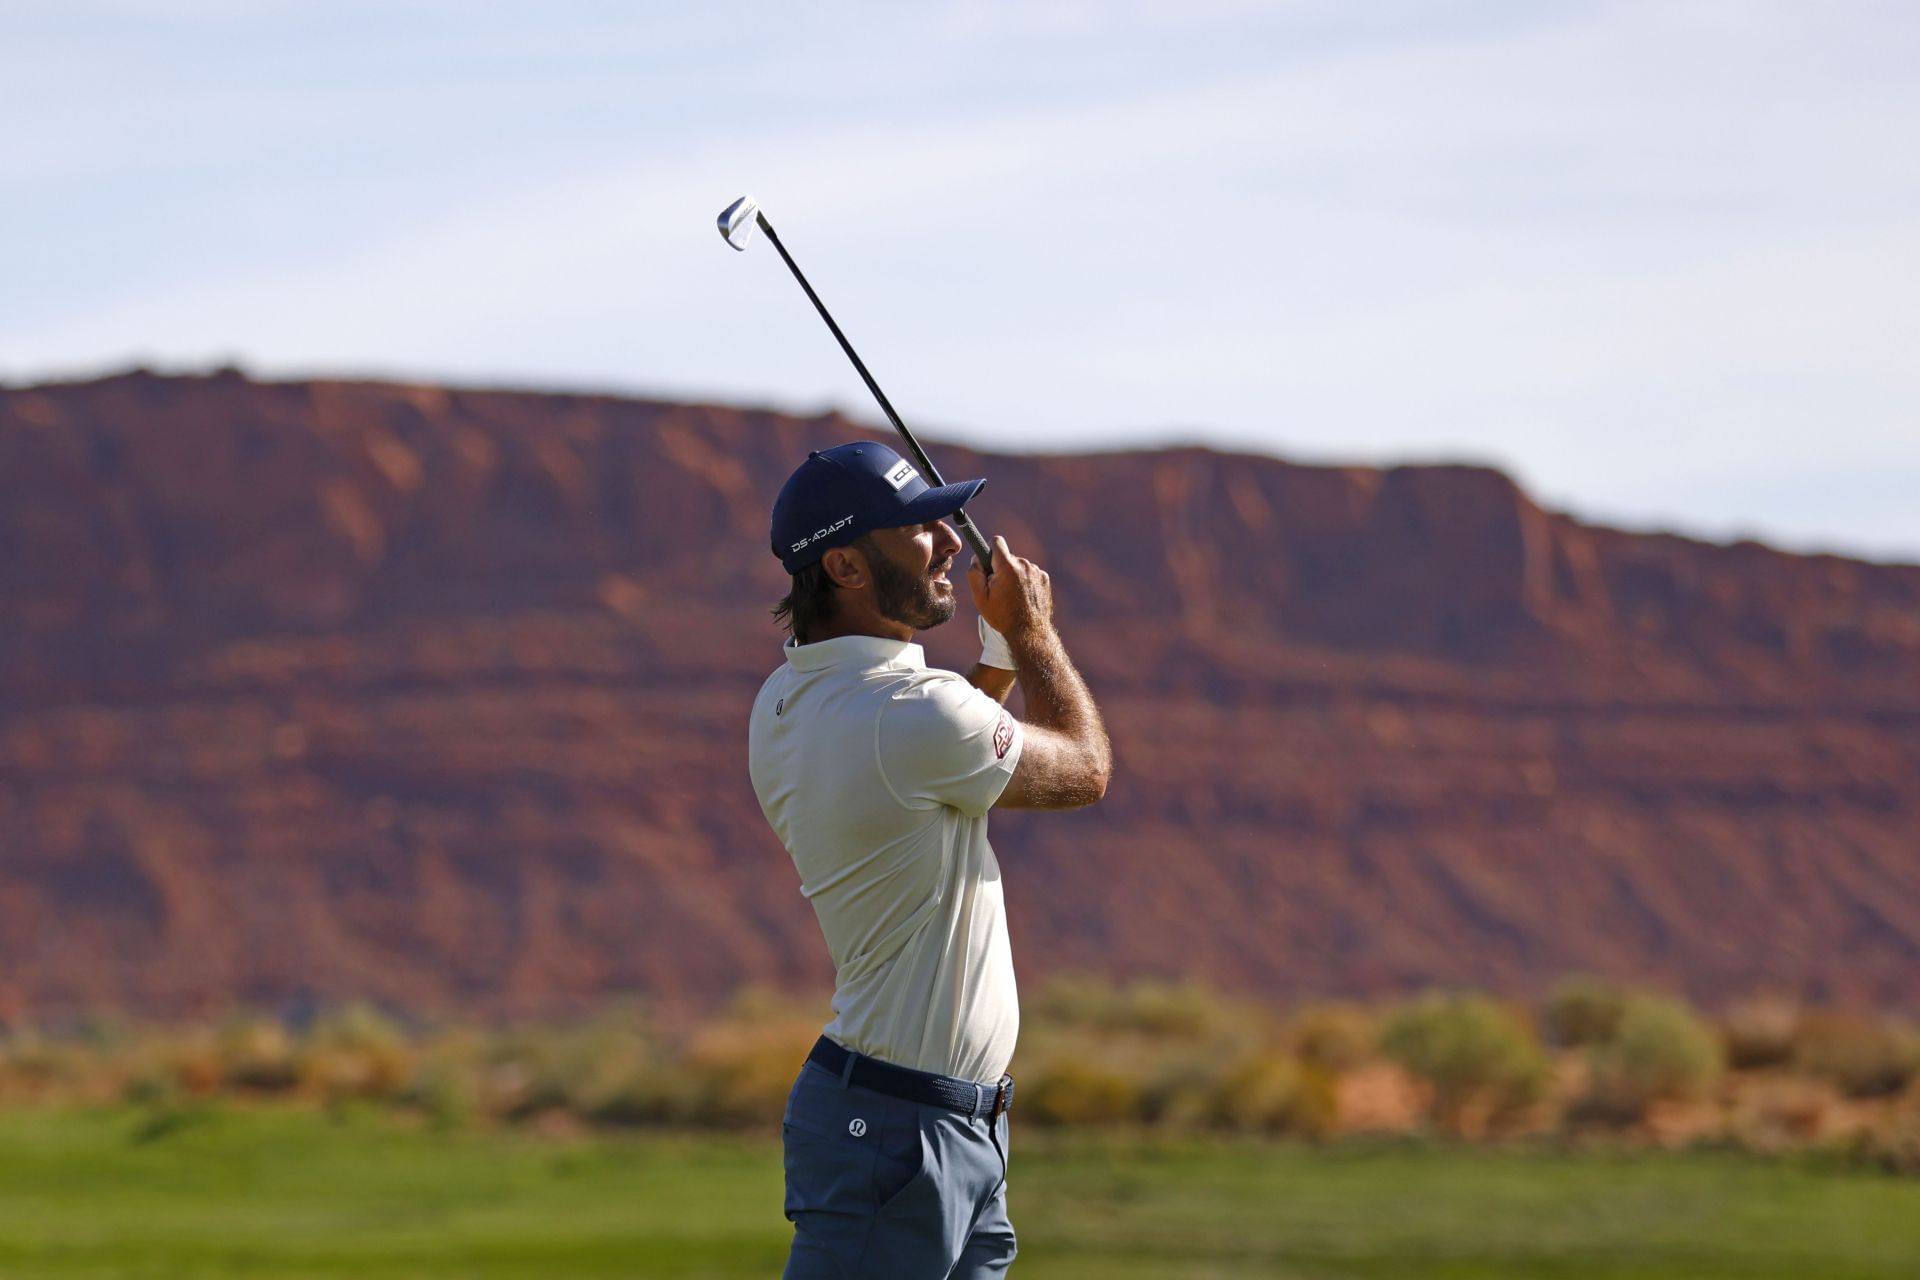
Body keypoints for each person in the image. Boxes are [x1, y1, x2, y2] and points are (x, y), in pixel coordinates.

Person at [748, 440, 1112, 1279]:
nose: (950, 540)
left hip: (931, 1124)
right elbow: (1085, 769)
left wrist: (996, 658)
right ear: (844, 565)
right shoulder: (911, 713)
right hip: (895, 1131)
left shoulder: (789, 699)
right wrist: (1032, 636)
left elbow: (930, 758)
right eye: (918, 527)